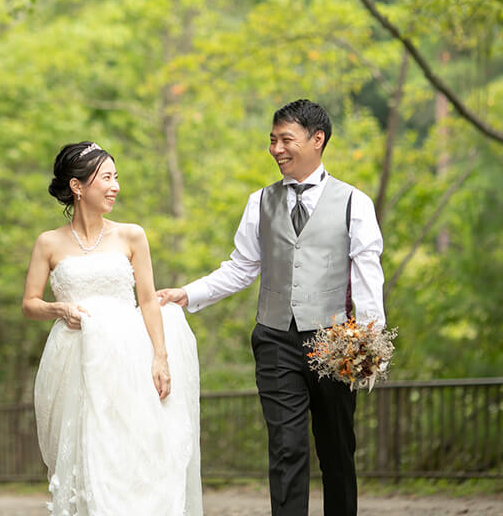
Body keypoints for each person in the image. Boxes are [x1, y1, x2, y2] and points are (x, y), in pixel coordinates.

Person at [157, 99, 386, 516]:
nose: (276, 149)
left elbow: (369, 278)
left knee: (336, 451)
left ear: (317, 140)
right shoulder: (258, 202)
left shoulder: (356, 203)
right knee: (286, 450)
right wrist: (186, 294)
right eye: (272, 140)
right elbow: (241, 268)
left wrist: (370, 345)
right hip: (275, 340)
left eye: (286, 140)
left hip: (336, 343)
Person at [23, 141, 202, 516]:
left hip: (128, 354)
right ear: (78, 186)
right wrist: (58, 308)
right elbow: (30, 303)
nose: (115, 186)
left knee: (132, 448)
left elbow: (149, 300)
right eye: (106, 177)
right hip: (75, 357)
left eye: (115, 177)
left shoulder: (131, 235)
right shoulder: (48, 242)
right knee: (87, 448)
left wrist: (160, 357)